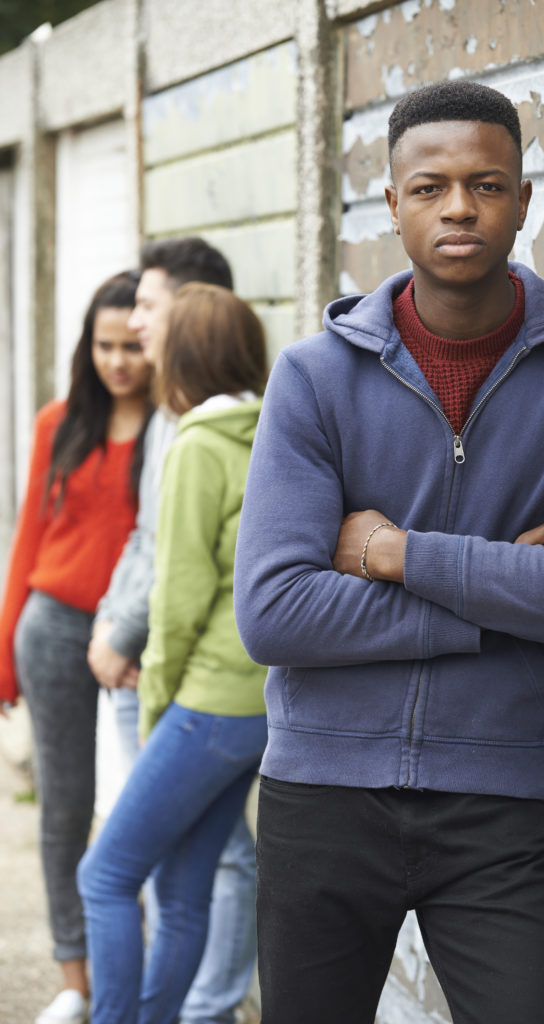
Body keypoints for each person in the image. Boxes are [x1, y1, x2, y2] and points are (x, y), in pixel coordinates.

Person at [233, 79, 544, 1024]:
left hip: (498, 802)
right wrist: (499, 596)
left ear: (523, 200)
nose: (458, 206)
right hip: (322, 793)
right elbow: (274, 613)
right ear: (391, 204)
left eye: (486, 184)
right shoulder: (312, 377)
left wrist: (395, 552)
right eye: (429, 187)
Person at [78, 282, 268, 1024]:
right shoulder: (270, 430)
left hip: (207, 702)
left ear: (183, 356)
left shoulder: (195, 443)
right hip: (259, 703)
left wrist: (154, 709)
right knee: (184, 893)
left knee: (106, 875)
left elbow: (178, 597)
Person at [0, 271, 152, 1024]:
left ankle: (143, 958)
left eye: (131, 346)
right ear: (86, 347)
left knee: (139, 808)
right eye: (104, 346)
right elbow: (29, 537)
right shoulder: (58, 422)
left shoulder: (168, 428)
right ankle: (75, 979)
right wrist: (3, 656)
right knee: (63, 807)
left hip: (137, 637)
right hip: (54, 626)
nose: (118, 361)